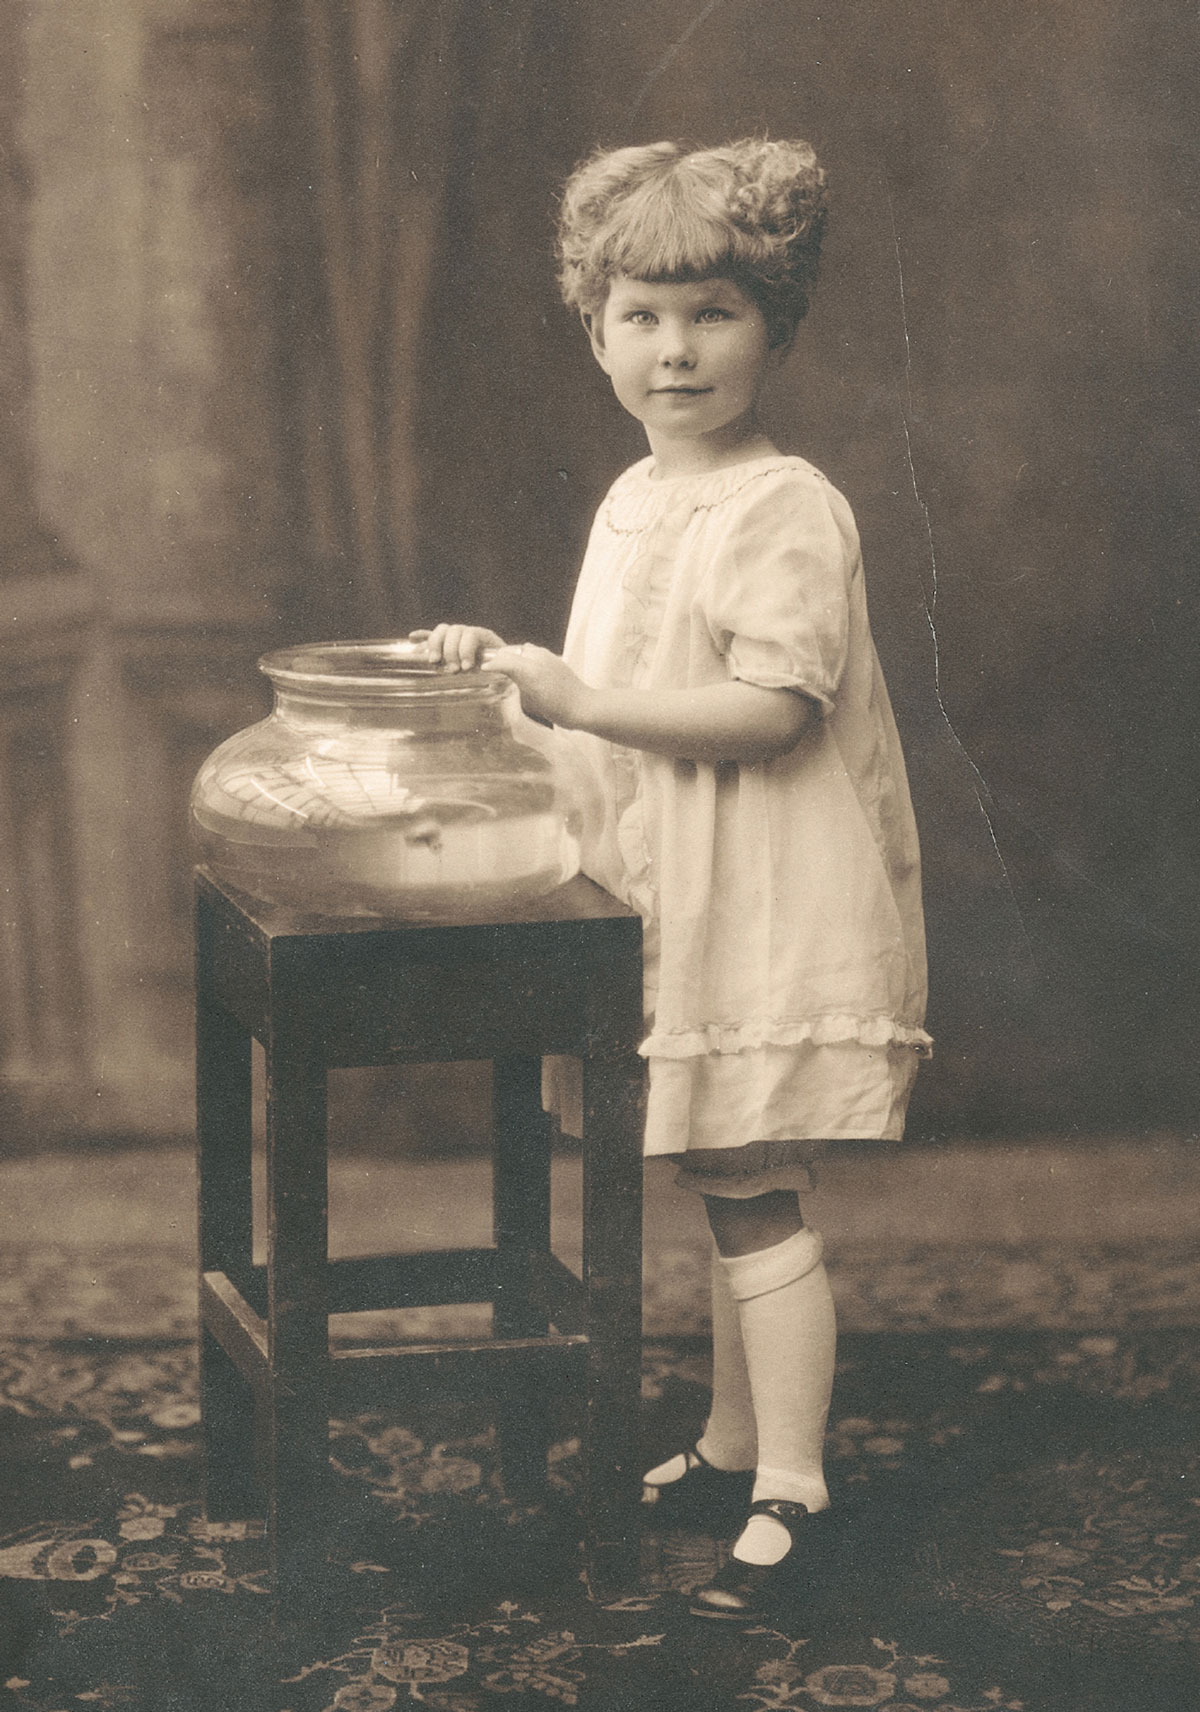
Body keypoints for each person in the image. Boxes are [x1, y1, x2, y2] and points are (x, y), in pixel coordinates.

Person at [413, 136, 930, 1621]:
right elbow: (609, 688)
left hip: (766, 880)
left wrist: (573, 702)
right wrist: (506, 676)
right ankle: (726, 1441)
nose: (676, 348)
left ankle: (796, 1486)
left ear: (774, 323)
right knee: (722, 1170)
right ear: (595, 333)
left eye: (712, 312)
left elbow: (775, 711)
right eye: (640, 315)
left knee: (755, 1183)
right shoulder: (638, 498)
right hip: (675, 874)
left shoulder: (784, 504)